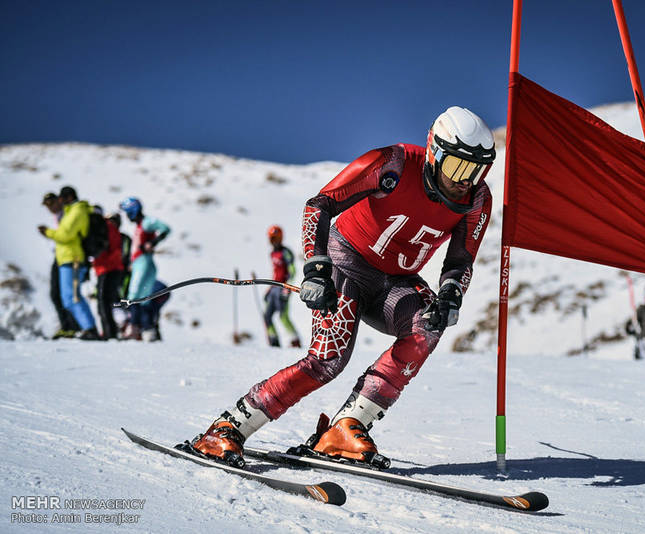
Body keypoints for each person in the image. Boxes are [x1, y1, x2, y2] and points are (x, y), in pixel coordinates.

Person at [187, 106, 495, 468]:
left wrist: (450, 294)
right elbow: (319, 205)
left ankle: (346, 427)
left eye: (475, 170)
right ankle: (227, 428)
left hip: (395, 283)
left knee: (428, 326)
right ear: (433, 152)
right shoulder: (392, 164)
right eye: (457, 166)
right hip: (347, 263)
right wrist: (317, 268)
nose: (464, 179)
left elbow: (460, 261)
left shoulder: (476, 200)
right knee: (328, 360)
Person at [37, 186, 100, 340]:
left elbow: (65, 235)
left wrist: (48, 232)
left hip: (73, 258)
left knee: (72, 296)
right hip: (67, 258)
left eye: (61, 198)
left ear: (69, 197)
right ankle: (85, 328)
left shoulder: (77, 211)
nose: (60, 201)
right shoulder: (72, 211)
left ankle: (89, 328)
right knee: (68, 296)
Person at [118, 197, 170, 341]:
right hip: (140, 263)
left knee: (133, 297)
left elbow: (165, 229)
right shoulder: (140, 226)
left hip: (144, 262)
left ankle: (134, 329)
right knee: (144, 299)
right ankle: (148, 330)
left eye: (128, 213)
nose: (127, 217)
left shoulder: (146, 223)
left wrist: (152, 243)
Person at [41, 192, 81, 338]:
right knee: (57, 294)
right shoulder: (59, 216)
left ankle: (72, 326)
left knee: (66, 294)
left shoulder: (67, 214)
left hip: (68, 257)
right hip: (60, 256)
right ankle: (67, 325)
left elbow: (66, 235)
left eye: (51, 204)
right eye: (47, 205)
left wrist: (48, 233)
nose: (49, 208)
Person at [262, 225, 301, 348]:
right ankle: (274, 342)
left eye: (276, 239)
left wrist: (286, 288)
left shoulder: (286, 252)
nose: (274, 242)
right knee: (267, 316)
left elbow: (292, 271)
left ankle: (295, 340)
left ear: (281, 238)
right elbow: (275, 273)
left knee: (283, 316)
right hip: (274, 288)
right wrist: (269, 289)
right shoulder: (273, 253)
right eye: (272, 239)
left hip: (283, 288)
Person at [92, 210, 126, 339]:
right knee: (105, 302)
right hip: (108, 269)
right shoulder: (110, 230)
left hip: (108, 269)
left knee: (104, 302)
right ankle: (109, 331)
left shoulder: (109, 229)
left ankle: (109, 333)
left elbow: (114, 251)